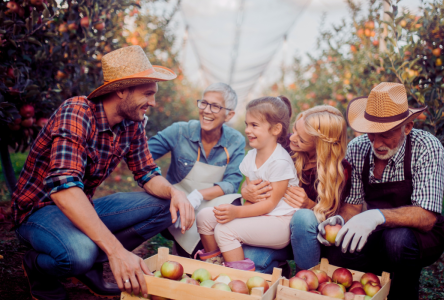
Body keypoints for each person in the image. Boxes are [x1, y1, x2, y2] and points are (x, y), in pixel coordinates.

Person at [11, 46, 195, 300]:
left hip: (80, 205)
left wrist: (175, 191)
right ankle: (37, 267)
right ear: (121, 90)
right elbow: (64, 192)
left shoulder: (133, 123)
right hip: (40, 211)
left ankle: (91, 264)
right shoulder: (77, 112)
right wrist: (116, 251)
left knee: (167, 206)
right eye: (148, 94)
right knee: (78, 254)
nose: (153, 102)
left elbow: (148, 173)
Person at [317, 82, 444, 299]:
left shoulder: (426, 147)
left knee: (396, 241)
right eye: (371, 133)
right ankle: (366, 288)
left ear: (407, 127)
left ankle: (402, 292)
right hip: (377, 229)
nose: (376, 142)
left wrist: (376, 215)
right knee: (338, 247)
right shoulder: (359, 147)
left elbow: (426, 216)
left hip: (418, 233)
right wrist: (340, 222)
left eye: (386, 134)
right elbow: (353, 204)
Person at [241, 105, 351, 274]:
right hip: (277, 230)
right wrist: (246, 189)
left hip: (308, 238)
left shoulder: (338, 172)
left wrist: (309, 205)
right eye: (295, 130)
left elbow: (335, 220)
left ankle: (305, 276)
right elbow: (253, 173)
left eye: (302, 140)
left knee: (303, 218)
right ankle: (281, 272)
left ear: (320, 146)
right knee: (252, 259)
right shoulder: (283, 151)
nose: (293, 139)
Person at [195, 96, 298, 270]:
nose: (248, 130)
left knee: (225, 230)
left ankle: (238, 280)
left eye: (254, 125)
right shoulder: (251, 157)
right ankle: (217, 265)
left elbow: (270, 204)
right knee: (204, 217)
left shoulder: (280, 162)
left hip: (280, 222)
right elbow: (251, 195)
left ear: (276, 129)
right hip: (258, 215)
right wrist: (241, 205)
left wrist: (236, 212)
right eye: (247, 124)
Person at [147, 82, 245, 257]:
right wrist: (164, 188)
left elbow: (232, 183)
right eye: (204, 103)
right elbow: (142, 156)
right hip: (177, 207)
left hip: (211, 208)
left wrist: (198, 195)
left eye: (215, 106)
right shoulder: (179, 132)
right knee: (190, 253)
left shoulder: (235, 141)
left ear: (229, 115)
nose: (206, 110)